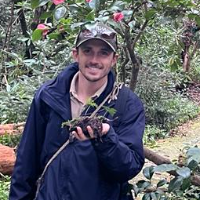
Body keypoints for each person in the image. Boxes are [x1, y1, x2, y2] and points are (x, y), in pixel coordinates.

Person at [9, 22, 145, 200]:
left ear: (114, 59)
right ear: (76, 55)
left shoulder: (127, 104)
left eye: (103, 53)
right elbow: (26, 161)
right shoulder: (48, 96)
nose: (94, 60)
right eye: (87, 51)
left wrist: (105, 137)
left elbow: (129, 167)